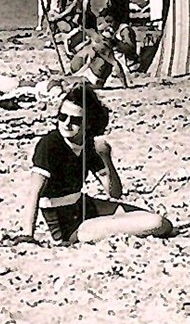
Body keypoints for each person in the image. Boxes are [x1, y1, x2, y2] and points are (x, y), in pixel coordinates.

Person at [21, 82, 173, 245]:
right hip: (68, 225)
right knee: (156, 223)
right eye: (62, 117)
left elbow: (114, 193)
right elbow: (33, 193)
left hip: (85, 205)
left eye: (76, 120)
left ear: (88, 123)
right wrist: (28, 235)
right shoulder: (50, 145)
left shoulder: (88, 145)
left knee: (152, 219)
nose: (66, 123)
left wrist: (106, 158)